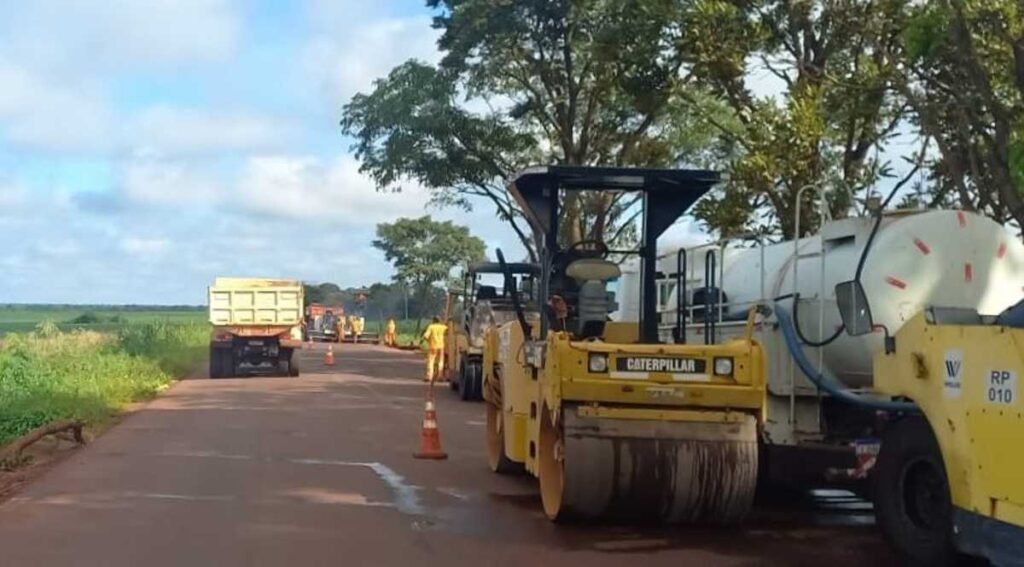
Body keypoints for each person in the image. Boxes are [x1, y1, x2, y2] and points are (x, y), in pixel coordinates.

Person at [420, 316, 448, 383]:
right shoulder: (443, 327)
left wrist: (424, 341)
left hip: (433, 346)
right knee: (441, 361)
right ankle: (440, 376)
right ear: (439, 320)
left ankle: (429, 376)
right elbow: (448, 332)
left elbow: (426, 335)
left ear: (433, 320)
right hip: (441, 346)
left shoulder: (431, 327)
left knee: (431, 361)